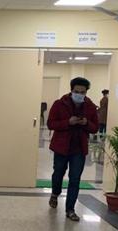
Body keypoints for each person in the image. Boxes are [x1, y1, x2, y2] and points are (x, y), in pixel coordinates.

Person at [47, 77, 99, 221]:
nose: (79, 94)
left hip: (79, 148)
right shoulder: (59, 104)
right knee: (58, 173)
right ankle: (55, 193)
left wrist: (86, 123)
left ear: (86, 92)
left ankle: (70, 209)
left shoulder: (90, 107)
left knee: (75, 179)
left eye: (82, 92)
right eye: (77, 91)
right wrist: (67, 122)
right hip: (61, 146)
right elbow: (51, 123)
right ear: (71, 90)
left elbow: (95, 127)